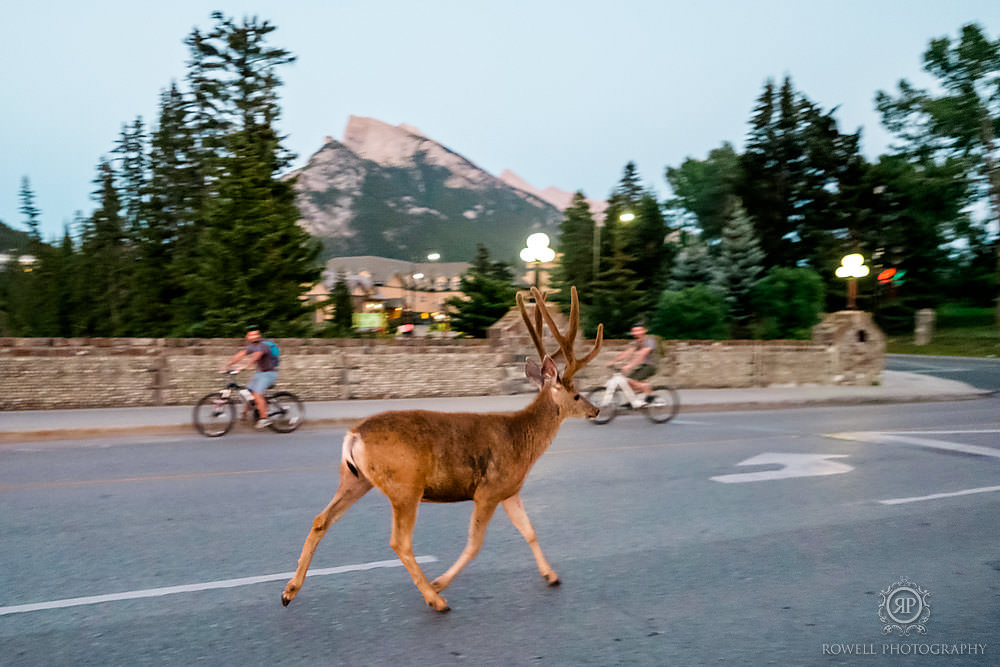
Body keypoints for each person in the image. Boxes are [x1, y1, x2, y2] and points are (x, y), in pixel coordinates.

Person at [225, 326, 279, 429]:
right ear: (248, 336)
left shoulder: (263, 345)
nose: (255, 336)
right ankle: (245, 413)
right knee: (247, 391)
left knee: (257, 394)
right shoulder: (251, 346)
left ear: (259, 335)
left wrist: (243, 366)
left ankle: (264, 419)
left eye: (256, 334)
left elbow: (256, 357)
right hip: (259, 373)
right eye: (252, 334)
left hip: (269, 373)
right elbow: (240, 355)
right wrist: (228, 364)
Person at [608, 323, 658, 399]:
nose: (637, 333)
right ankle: (635, 401)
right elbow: (627, 352)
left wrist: (630, 365)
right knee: (628, 383)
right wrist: (614, 361)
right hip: (642, 366)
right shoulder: (636, 342)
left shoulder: (650, 340)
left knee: (632, 380)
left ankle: (650, 396)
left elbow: (642, 354)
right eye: (635, 331)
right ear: (633, 333)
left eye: (639, 330)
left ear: (644, 331)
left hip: (651, 365)